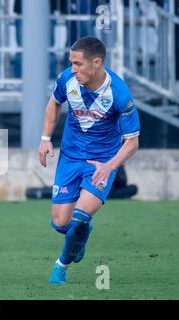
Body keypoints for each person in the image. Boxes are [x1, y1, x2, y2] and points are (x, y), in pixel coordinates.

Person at [38, 36, 140, 284]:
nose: (72, 69)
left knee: (80, 216)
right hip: (70, 157)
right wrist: (45, 138)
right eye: (71, 63)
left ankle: (61, 266)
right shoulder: (67, 80)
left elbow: (132, 142)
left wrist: (110, 166)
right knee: (62, 223)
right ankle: (79, 236)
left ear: (97, 63)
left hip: (101, 163)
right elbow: (54, 103)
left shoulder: (120, 94)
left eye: (78, 64)